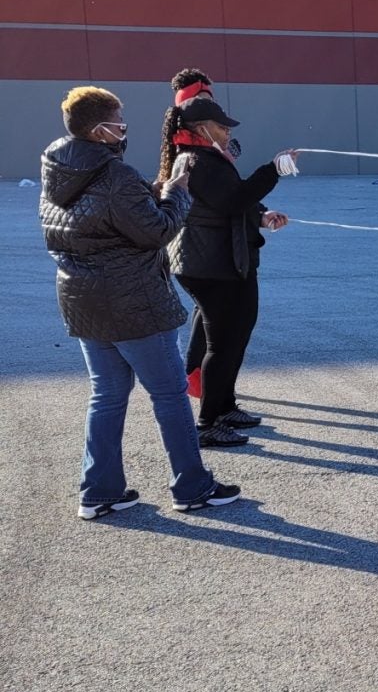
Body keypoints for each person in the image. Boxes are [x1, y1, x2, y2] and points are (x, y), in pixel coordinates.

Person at [39, 86, 241, 518]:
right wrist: (177, 189)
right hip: (131, 300)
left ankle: (99, 490)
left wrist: (152, 191)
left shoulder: (57, 170)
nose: (123, 132)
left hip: (82, 299)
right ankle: (193, 487)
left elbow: (103, 218)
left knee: (107, 395)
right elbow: (158, 230)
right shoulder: (116, 176)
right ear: (99, 131)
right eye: (119, 125)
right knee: (169, 394)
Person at [159, 96, 297, 447]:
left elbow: (234, 202)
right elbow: (233, 200)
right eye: (221, 127)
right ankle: (207, 423)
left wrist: (262, 217)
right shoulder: (195, 161)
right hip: (209, 265)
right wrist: (272, 171)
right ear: (200, 129)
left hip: (226, 260)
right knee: (222, 343)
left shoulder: (207, 158)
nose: (225, 132)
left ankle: (224, 407)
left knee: (238, 333)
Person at [169, 67, 217, 399]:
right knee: (210, 307)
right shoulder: (187, 151)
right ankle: (194, 374)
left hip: (203, 241)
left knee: (206, 308)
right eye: (202, 100)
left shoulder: (209, 145)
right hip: (194, 243)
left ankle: (196, 373)